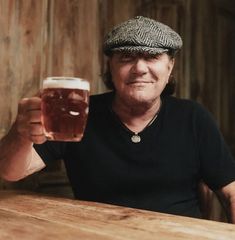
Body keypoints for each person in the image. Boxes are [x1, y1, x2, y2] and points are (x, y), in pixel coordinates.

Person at [1, 16, 235, 222]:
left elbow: (231, 193)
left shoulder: (193, 117)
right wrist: (20, 134)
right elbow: (10, 172)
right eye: (126, 57)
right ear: (110, 67)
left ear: (170, 66)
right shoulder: (76, 112)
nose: (139, 68)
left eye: (152, 56)